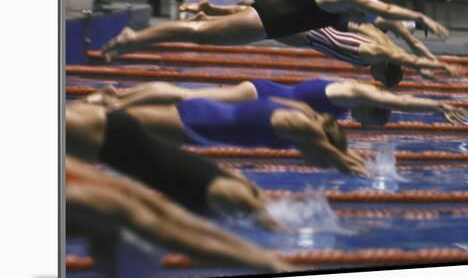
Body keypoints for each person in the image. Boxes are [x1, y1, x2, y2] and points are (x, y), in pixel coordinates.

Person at [102, 0, 456, 85]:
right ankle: (136, 38)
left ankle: (204, 13)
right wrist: (432, 63)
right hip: (269, 24)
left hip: (277, 26)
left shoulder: (332, 9)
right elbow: (392, 32)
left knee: (205, 27)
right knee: (196, 34)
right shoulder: (343, 6)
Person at [66, 103, 281, 229]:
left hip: (126, 136)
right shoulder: (227, 195)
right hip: (119, 142)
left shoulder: (231, 184)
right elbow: (269, 224)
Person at [66, 155, 294, 272]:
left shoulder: (95, 192)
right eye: (110, 273)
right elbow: (179, 238)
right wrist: (270, 264)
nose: (95, 262)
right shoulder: (87, 202)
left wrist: (266, 261)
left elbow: (173, 221)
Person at [69, 96, 366, 176]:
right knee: (112, 124)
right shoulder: (304, 129)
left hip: (203, 121)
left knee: (117, 131)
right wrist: (370, 175)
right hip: (198, 122)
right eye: (319, 161)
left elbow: (335, 153)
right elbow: (341, 162)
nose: (314, 165)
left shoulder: (304, 113)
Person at [83, 78, 468, 127]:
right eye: (372, 122)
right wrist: (435, 106)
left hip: (262, 102)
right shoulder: (354, 91)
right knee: (188, 96)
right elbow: (396, 98)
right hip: (260, 93)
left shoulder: (347, 108)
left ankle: (118, 99)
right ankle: (116, 98)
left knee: (188, 104)